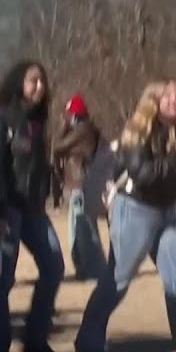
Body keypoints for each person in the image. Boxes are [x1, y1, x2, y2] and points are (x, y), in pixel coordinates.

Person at [76, 81, 176, 352]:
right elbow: (142, 172)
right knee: (118, 278)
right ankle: (89, 339)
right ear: (157, 101)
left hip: (169, 211)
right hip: (136, 209)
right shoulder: (139, 129)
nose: (173, 102)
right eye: (169, 96)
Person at [0, 60, 70, 352]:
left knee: (54, 265)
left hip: (32, 208)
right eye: (33, 81)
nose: (40, 87)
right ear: (19, 83)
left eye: (42, 81)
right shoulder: (0, 117)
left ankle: (35, 342)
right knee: (1, 276)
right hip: (4, 207)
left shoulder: (39, 120)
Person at [52, 95, 106, 282]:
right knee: (77, 228)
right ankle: (85, 268)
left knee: (84, 228)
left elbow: (58, 146)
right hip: (77, 184)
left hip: (81, 184)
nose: (67, 118)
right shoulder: (82, 130)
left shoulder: (83, 130)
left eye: (70, 115)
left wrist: (62, 127)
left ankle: (95, 269)